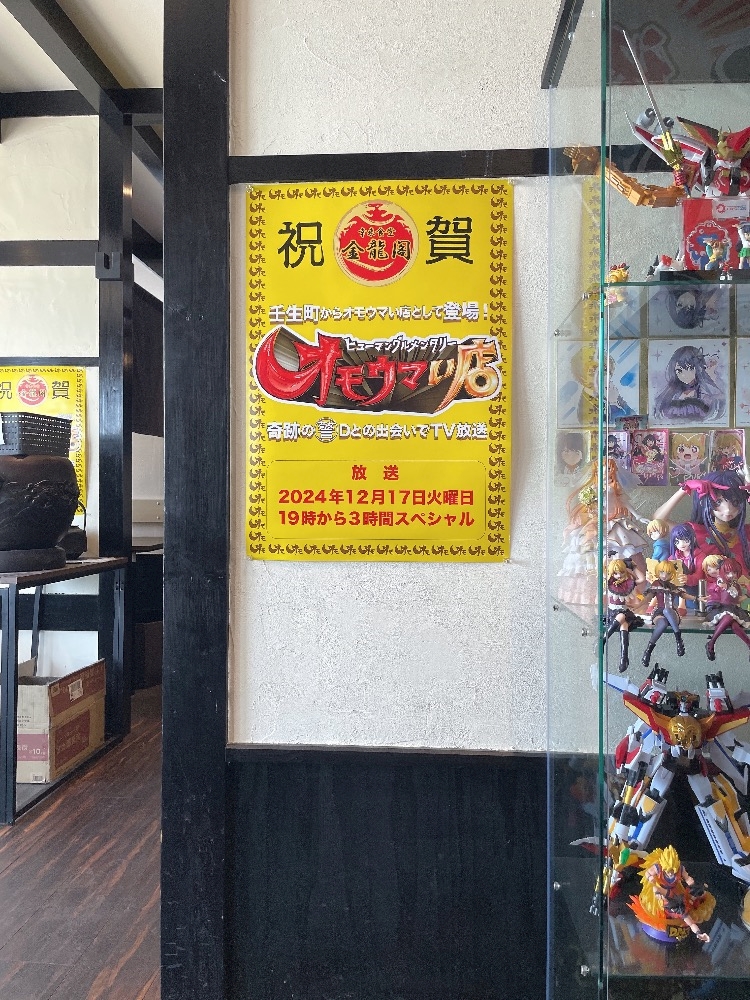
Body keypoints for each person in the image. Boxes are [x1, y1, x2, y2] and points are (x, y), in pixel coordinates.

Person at [651, 470, 750, 577]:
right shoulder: (694, 533)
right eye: (718, 501)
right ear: (705, 501)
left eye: (735, 502)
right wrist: (684, 488)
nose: (728, 509)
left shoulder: (745, 534)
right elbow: (658, 521)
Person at [653, 344, 725, 423]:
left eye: (690, 368)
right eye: (679, 371)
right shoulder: (671, 394)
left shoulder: (705, 393)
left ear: (699, 368)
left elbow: (715, 417)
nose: (684, 375)